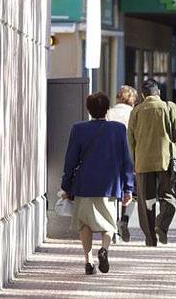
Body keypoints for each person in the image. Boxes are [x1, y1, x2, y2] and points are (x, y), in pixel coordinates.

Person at [61, 92, 134, 275]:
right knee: (109, 224)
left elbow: (70, 160)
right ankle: (105, 249)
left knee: (85, 224)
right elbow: (126, 160)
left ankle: (88, 260)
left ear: (89, 109)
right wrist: (128, 188)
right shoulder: (118, 129)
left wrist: (66, 185)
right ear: (107, 109)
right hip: (109, 185)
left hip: (84, 184)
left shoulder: (78, 129)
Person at [127, 79, 176, 246]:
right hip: (165, 160)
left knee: (146, 200)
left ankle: (150, 238)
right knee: (168, 197)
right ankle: (161, 225)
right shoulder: (169, 107)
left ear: (142, 95)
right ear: (158, 92)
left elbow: (130, 140)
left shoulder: (136, 111)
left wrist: (135, 160)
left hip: (143, 162)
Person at [106, 85, 138, 242]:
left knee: (113, 193)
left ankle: (112, 227)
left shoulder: (109, 113)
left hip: (111, 158)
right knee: (131, 192)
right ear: (132, 99)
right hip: (130, 157)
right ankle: (124, 218)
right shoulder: (134, 114)